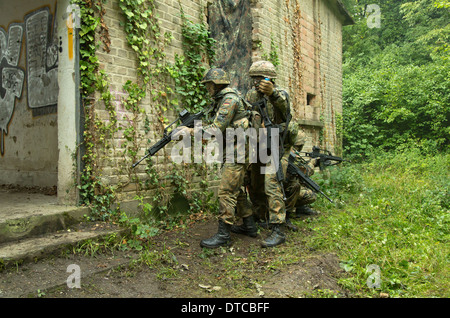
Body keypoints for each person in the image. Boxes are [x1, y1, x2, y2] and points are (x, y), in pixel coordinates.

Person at [174, 68, 256, 248]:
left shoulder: (229, 100)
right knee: (237, 189)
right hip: (234, 149)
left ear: (216, 84)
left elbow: (215, 129)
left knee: (226, 191)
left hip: (238, 151)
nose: (207, 89)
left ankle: (223, 235)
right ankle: (250, 226)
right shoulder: (222, 100)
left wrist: (190, 131)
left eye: (208, 85)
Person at [239, 60, 296, 248]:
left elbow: (286, 114)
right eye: (253, 78)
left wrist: (273, 94)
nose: (256, 82)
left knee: (272, 183)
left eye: (260, 78)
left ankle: (277, 228)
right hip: (259, 142)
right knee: (254, 181)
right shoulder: (251, 95)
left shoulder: (281, 95)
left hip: (278, 144)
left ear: (270, 79)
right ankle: (260, 216)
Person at [284, 130, 318, 223]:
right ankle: (286, 212)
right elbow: (306, 172)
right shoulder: (293, 154)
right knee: (311, 195)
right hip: (285, 189)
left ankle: (300, 208)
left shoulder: (286, 149)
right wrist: (312, 163)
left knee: (301, 182)